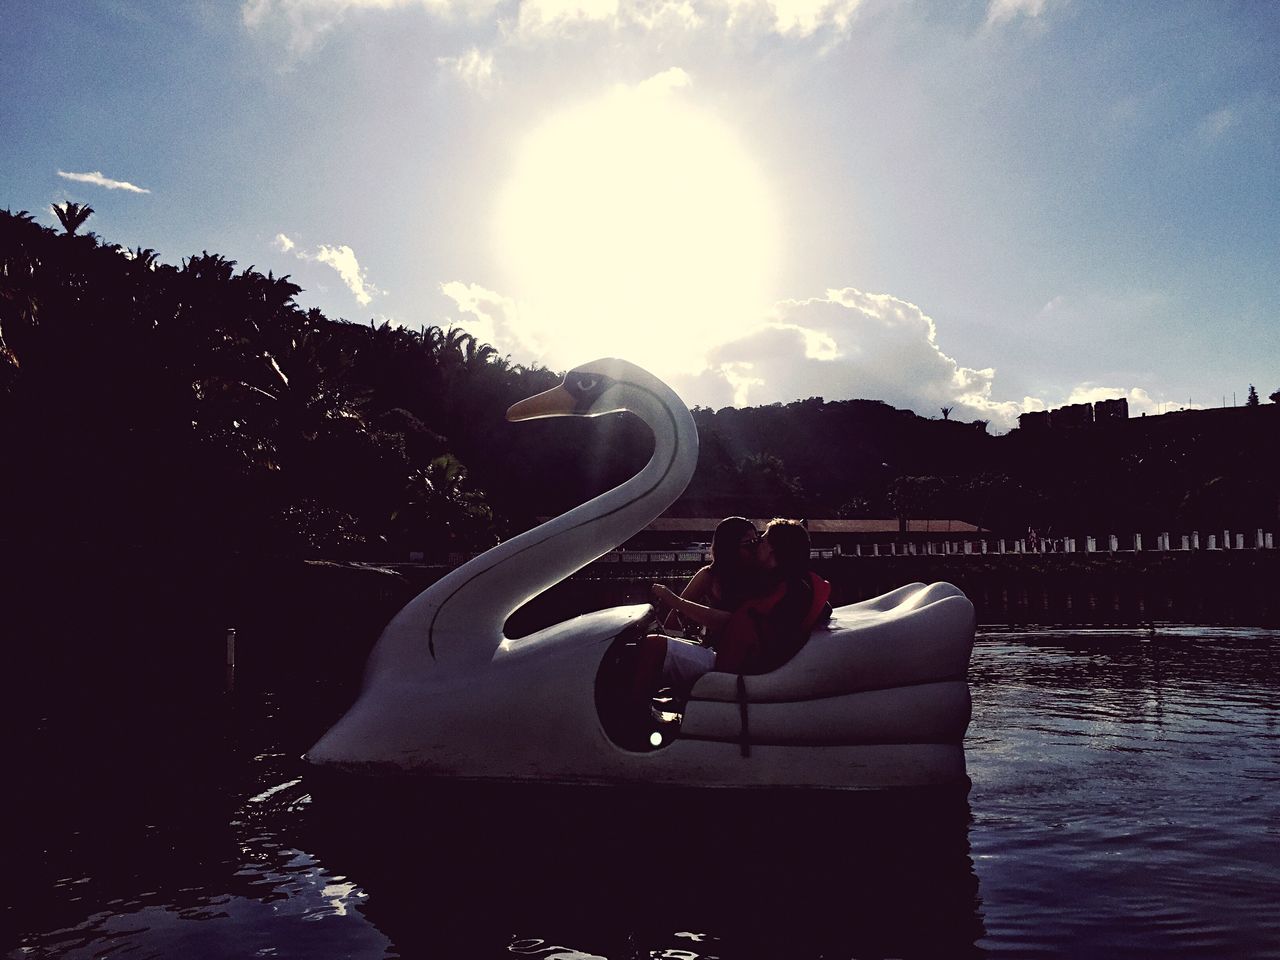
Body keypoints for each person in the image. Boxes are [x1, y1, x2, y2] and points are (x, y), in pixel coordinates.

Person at [631, 517, 764, 706]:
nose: (755, 548)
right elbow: (675, 616)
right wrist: (676, 624)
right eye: (749, 544)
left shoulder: (760, 577)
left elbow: (731, 622)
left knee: (654, 647)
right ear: (729, 547)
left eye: (757, 542)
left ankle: (634, 713)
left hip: (732, 659)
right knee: (642, 646)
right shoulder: (709, 575)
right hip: (716, 651)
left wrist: (675, 601)